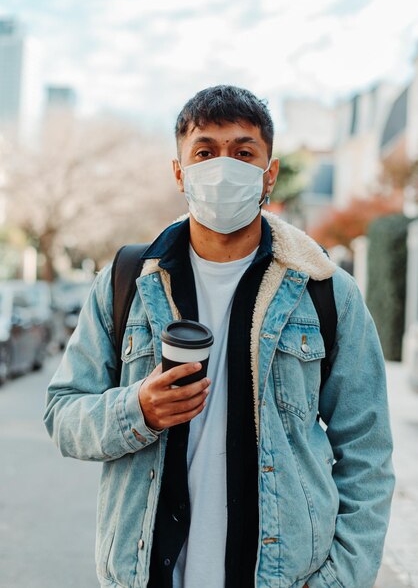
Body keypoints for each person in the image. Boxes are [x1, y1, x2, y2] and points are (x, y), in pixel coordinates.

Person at [44, 85, 395, 588]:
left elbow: (368, 454)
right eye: (205, 152)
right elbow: (62, 413)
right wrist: (136, 410)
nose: (223, 166)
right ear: (179, 171)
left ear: (268, 174)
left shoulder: (325, 291)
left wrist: (340, 580)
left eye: (244, 152)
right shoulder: (126, 281)